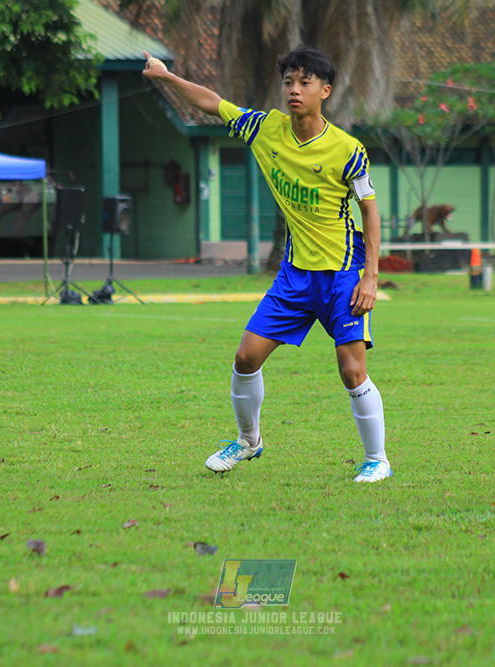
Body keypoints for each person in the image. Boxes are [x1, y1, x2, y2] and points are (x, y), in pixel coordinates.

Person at [142, 46, 391, 482]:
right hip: (294, 275)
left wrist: (370, 277)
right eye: (288, 82)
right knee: (246, 357)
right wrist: (166, 77)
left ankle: (378, 460)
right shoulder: (264, 128)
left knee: (352, 372)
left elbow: (370, 210)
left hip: (342, 274)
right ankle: (248, 441)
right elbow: (212, 103)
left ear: (325, 91)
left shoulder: (347, 149)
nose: (294, 90)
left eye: (305, 83)